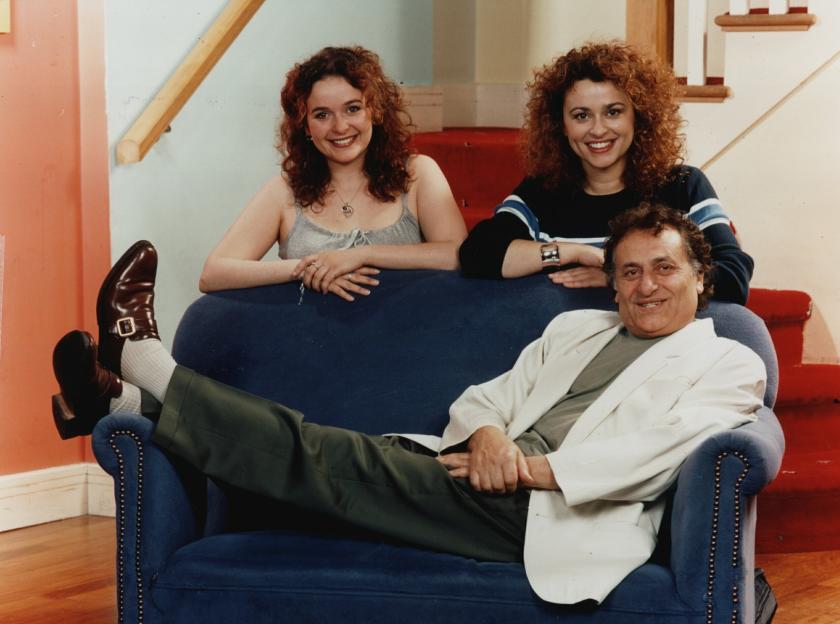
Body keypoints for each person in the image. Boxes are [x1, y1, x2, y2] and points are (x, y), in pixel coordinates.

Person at [50, 204, 764, 605]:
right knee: (311, 471)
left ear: (701, 277)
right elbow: (490, 397)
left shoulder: (729, 360)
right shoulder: (577, 327)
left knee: (330, 455)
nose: (645, 286)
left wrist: (530, 473)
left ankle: (143, 369)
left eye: (664, 268)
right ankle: (131, 400)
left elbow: (663, 451)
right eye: (629, 271)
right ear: (611, 284)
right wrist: (487, 437)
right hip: (475, 472)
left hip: (552, 508)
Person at [458, 41, 754, 305]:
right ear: (561, 125)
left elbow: (733, 274)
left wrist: (619, 275)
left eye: (613, 112)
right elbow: (478, 254)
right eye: (581, 115)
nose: (598, 129)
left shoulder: (682, 186)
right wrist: (571, 253)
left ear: (638, 116)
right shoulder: (542, 193)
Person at [198, 46, 467, 302]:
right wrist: (308, 269)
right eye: (322, 114)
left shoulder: (418, 172)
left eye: (353, 109)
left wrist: (363, 255)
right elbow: (214, 273)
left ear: (374, 111)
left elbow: (457, 253)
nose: (340, 127)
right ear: (305, 126)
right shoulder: (284, 190)